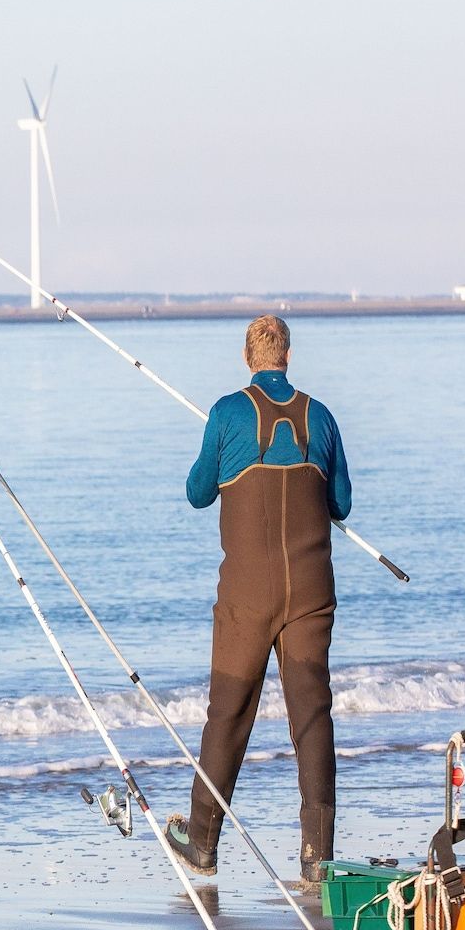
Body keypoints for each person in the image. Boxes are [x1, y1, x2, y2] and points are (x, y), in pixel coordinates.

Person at [167, 314, 351, 886]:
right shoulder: (320, 415)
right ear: (287, 356)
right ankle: (316, 855)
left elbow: (197, 494)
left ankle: (201, 841)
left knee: (229, 712)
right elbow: (341, 503)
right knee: (312, 717)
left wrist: (221, 451)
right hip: (310, 591)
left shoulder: (225, 413)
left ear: (248, 358)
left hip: (248, 593)